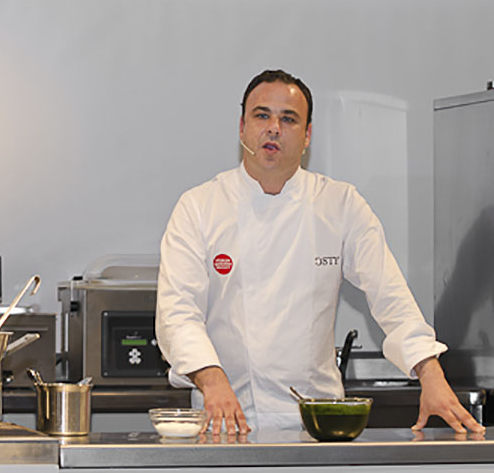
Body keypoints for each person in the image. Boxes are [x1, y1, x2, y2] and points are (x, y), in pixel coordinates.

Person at [155, 70, 483, 435]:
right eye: (262, 116)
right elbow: (177, 313)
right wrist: (212, 380)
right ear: (242, 127)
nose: (273, 128)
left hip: (317, 424)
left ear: (307, 135)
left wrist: (431, 375)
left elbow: (391, 296)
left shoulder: (340, 205)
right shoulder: (199, 207)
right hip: (225, 420)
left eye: (288, 119)